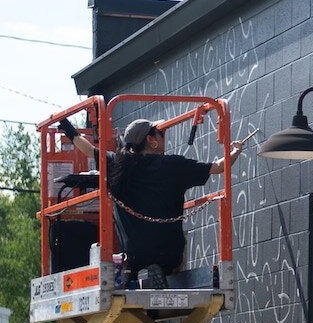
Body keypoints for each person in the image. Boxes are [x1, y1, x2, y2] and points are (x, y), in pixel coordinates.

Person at [59, 117, 244, 289]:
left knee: (137, 254)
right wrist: (235, 150)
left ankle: (136, 273)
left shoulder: (119, 164)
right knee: (173, 255)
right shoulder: (173, 165)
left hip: (135, 253)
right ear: (150, 139)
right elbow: (219, 167)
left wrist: (68, 128)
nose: (163, 137)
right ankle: (163, 270)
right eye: (160, 133)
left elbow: (88, 150)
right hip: (170, 251)